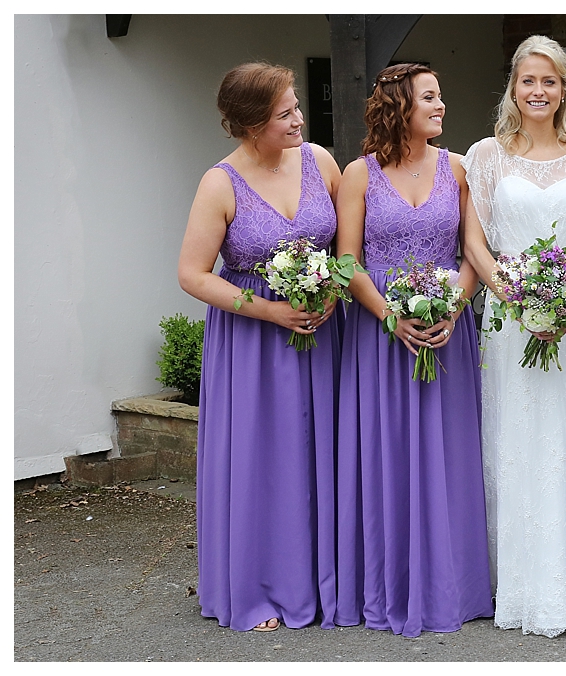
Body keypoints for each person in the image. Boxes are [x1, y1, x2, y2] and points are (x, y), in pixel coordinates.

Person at [461, 35, 566, 638]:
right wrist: (502, 286)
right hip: (507, 319)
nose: (538, 91)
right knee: (513, 435)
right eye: (528, 81)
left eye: (550, 81)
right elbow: (474, 238)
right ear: (513, 87)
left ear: (565, 89)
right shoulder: (483, 156)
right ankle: (518, 584)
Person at [177, 62, 343, 632]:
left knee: (325, 453)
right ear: (251, 125)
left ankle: (329, 584)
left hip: (324, 334)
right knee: (263, 463)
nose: (300, 119)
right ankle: (259, 589)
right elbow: (193, 274)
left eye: (297, 107)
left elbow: (351, 247)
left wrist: (335, 290)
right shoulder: (219, 183)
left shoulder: (320, 162)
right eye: (285, 114)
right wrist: (269, 309)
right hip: (252, 342)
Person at [333, 63, 493, 638]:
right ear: (400, 105)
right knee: (386, 455)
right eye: (430, 97)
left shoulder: (460, 169)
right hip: (381, 338)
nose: (441, 107)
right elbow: (347, 261)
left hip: (449, 332)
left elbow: (473, 252)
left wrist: (454, 307)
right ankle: (390, 584)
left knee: (450, 456)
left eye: (441, 97)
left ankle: (456, 584)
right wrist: (390, 316)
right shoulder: (359, 174)